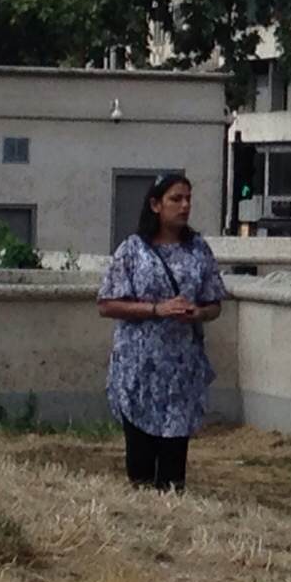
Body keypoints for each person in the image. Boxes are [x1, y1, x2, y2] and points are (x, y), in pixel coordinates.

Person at [96, 172, 227, 491]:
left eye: (188, 199)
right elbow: (107, 303)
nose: (184, 207)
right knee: (140, 460)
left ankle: (171, 503)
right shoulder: (133, 250)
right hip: (138, 369)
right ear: (156, 204)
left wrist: (198, 313)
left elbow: (215, 303)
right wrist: (156, 310)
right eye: (176, 199)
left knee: (173, 460)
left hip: (180, 370)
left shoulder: (198, 250)